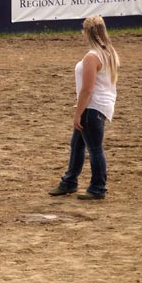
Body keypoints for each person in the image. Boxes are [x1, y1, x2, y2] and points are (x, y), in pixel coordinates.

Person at [48, 15, 120, 200]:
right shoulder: (109, 52)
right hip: (101, 105)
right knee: (77, 144)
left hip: (92, 107)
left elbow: (87, 89)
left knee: (94, 148)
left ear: (88, 32)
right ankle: (69, 181)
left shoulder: (92, 57)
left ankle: (97, 188)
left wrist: (78, 113)